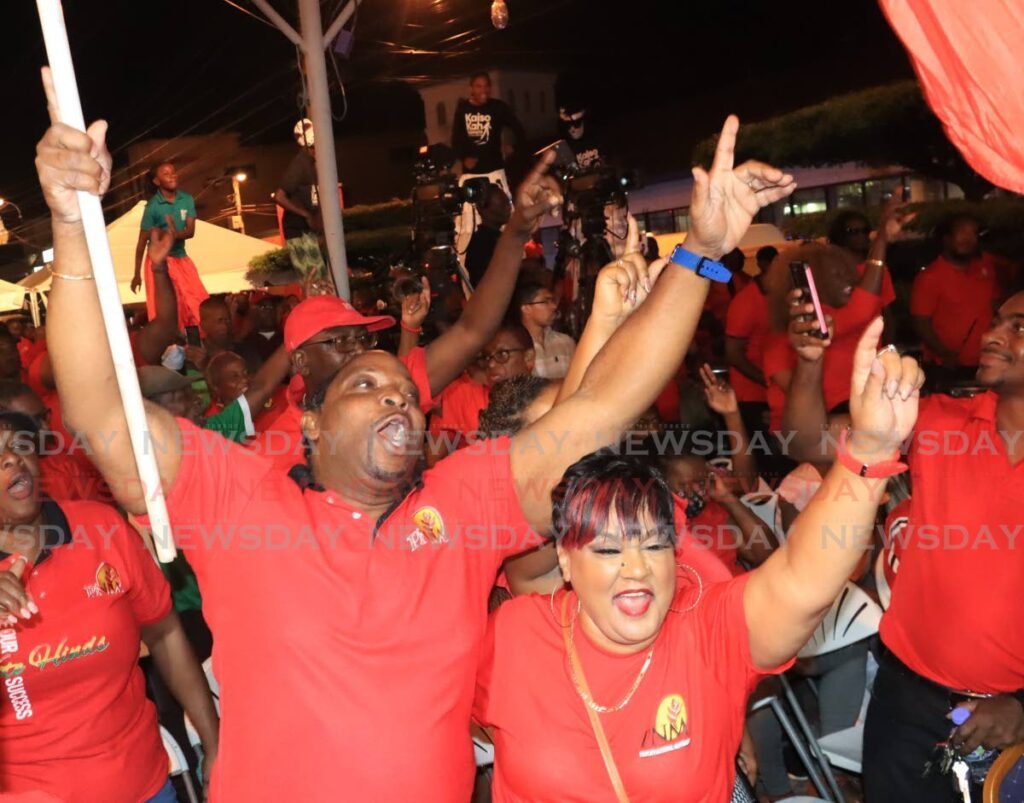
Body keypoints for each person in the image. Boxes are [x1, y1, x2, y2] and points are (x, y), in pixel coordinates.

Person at [37, 103, 793, 798]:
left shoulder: (463, 502)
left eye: (405, 388)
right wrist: (72, 228)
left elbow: (602, 408)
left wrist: (700, 252)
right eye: (367, 384)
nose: (399, 394)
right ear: (311, 424)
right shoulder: (237, 498)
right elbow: (99, 405)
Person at [474, 314, 922, 800]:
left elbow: (800, 580)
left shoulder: (706, 629)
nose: (636, 568)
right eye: (606, 548)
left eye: (654, 544)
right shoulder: (513, 636)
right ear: (565, 558)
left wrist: (869, 454)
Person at [782, 286, 1024, 801]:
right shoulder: (939, 421)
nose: (993, 335)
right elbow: (806, 442)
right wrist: (809, 364)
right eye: (997, 321)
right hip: (910, 701)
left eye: (1018, 328)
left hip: (1011, 721)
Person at [254, 156, 560, 474]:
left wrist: (515, 232)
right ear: (301, 361)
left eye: (362, 337)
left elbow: (473, 330)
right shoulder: (273, 450)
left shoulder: (390, 390)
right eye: (340, 341)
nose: (357, 349)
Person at [0, 409, 219, 802]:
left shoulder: (100, 528)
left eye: (19, 446)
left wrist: (214, 741)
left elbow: (165, 632)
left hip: (145, 786)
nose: (11, 458)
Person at [911, 213, 1000, 380]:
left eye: (973, 233)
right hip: (949, 367)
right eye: (962, 232)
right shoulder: (930, 277)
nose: (969, 238)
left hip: (986, 362)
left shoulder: (985, 269)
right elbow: (921, 322)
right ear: (946, 238)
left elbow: (996, 308)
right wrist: (944, 353)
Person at [451, 72, 525, 255]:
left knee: (503, 215)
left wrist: (512, 147)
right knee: (469, 223)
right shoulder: (462, 109)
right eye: (478, 86)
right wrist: (463, 157)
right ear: (471, 88)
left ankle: (510, 258)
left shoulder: (498, 108)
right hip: (471, 175)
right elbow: (455, 139)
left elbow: (518, 128)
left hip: (494, 172)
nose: (483, 90)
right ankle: (470, 262)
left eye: (486, 86)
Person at [131, 161, 209, 331]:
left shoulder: (186, 199)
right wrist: (136, 274)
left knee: (197, 301)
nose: (172, 175)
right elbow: (141, 243)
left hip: (181, 258)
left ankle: (200, 339)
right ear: (157, 181)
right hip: (158, 263)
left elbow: (190, 232)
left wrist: (173, 235)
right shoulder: (152, 207)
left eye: (174, 172)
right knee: (170, 309)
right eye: (166, 174)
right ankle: (175, 346)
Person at [725, 246, 773, 430]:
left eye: (741, 258)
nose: (739, 262)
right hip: (752, 396)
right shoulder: (745, 299)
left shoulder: (745, 280)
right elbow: (734, 354)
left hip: (773, 393)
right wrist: (767, 380)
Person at [516, 281, 576, 379]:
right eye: (545, 302)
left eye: (552, 301)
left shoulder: (566, 342)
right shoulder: (517, 346)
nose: (554, 306)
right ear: (526, 308)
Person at [275, 119, 321, 240]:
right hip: (297, 230)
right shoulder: (300, 164)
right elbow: (279, 197)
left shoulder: (314, 163)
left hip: (310, 228)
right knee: (310, 260)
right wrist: (306, 215)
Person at [464, 183, 512, 287]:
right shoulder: (480, 245)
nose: (508, 207)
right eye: (502, 204)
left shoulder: (498, 237)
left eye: (508, 202)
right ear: (482, 209)